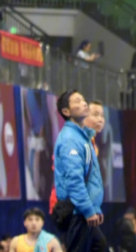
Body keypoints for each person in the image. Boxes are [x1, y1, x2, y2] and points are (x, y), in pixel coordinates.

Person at [53, 90, 106, 252]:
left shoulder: (83, 137)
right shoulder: (70, 139)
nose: (84, 103)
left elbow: (91, 180)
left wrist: (95, 208)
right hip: (77, 211)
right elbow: (74, 181)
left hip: (84, 210)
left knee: (100, 247)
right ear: (66, 111)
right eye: (77, 101)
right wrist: (89, 210)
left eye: (83, 99)